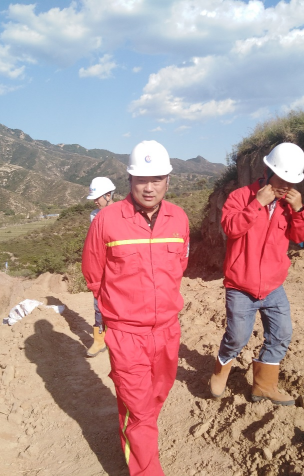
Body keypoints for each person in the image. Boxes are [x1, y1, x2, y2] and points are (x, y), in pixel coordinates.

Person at [82, 140, 189, 476]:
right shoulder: (106, 220)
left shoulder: (179, 218)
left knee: (155, 398)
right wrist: (119, 313)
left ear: (168, 180)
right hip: (127, 334)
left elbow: (180, 266)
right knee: (139, 410)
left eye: (157, 179)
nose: (149, 187)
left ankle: (138, 439)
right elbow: (93, 273)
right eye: (142, 179)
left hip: (168, 331)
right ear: (129, 180)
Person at [209, 142, 304, 406]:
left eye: (291, 181)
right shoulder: (241, 196)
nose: (286, 186)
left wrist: (299, 210)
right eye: (281, 179)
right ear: (268, 172)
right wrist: (257, 204)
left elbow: (300, 237)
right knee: (237, 337)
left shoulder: (289, 205)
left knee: (281, 334)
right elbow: (230, 228)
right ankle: (221, 369)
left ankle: (264, 387)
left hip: (273, 286)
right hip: (240, 286)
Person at [85, 176, 116, 357]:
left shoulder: (123, 213)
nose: (95, 201)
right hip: (101, 265)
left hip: (118, 266)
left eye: (97, 198)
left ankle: (115, 336)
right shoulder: (94, 215)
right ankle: (99, 340)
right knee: (98, 303)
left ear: (108, 195)